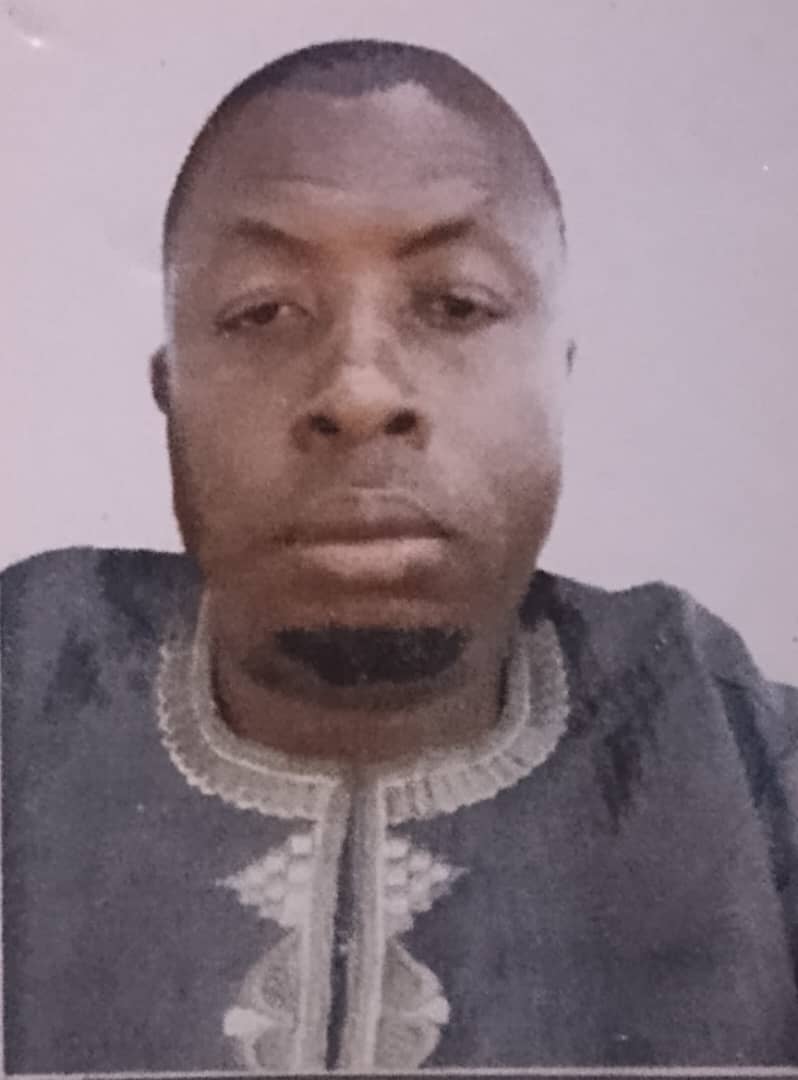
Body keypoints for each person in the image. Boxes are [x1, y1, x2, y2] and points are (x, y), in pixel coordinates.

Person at [1, 38, 797, 1075]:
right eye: (263, 311)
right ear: (170, 392)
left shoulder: (746, 770)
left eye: (456, 305)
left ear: (559, 378)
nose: (360, 391)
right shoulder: (25, 699)